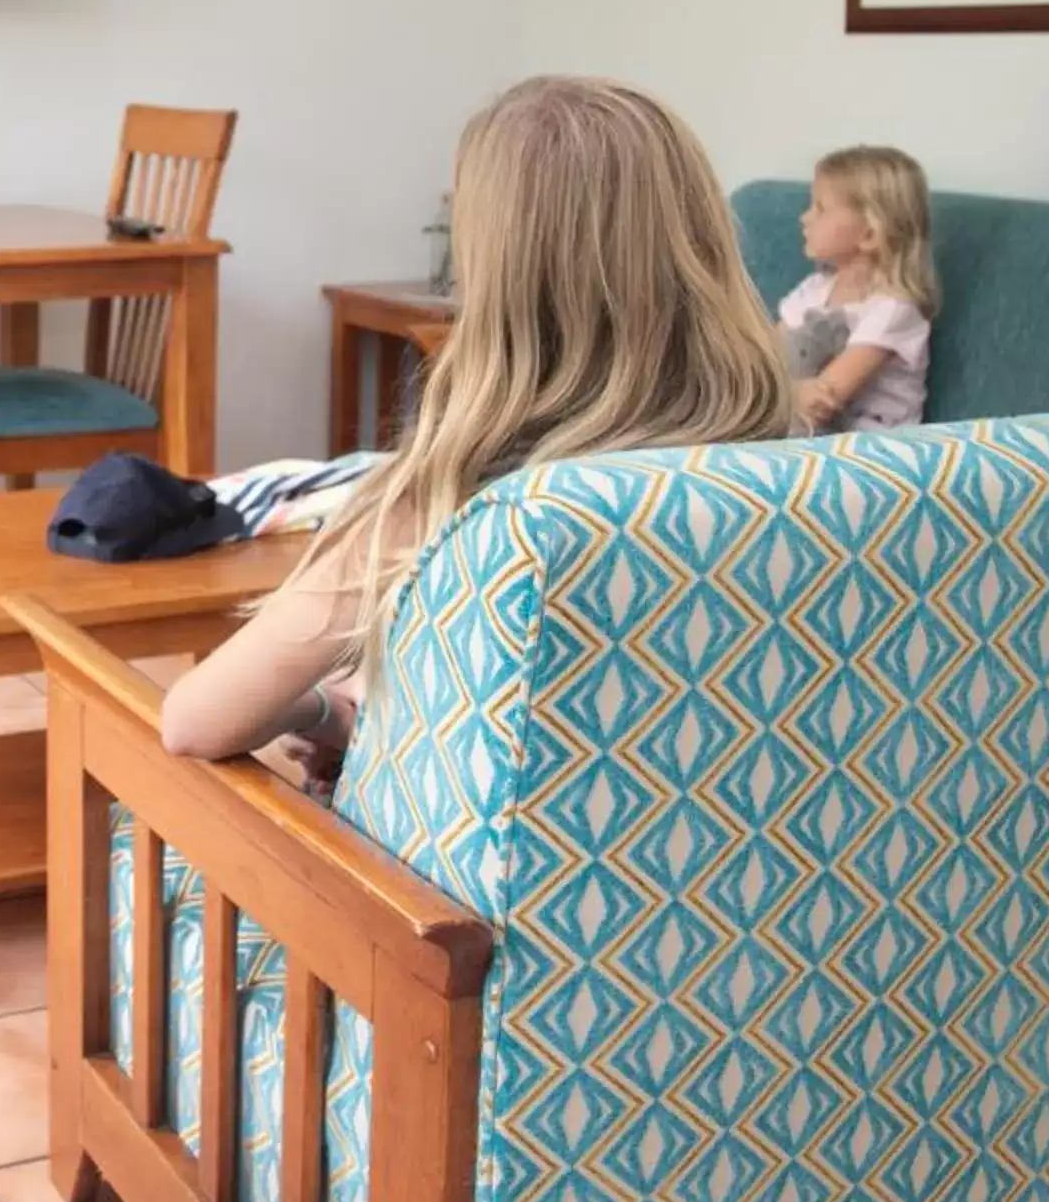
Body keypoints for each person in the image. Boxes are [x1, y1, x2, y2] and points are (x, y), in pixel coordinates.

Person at [159, 77, 795, 772]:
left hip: (444, 880)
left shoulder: (449, 505)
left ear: (497, 271)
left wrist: (310, 707)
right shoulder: (799, 470)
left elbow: (195, 723)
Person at [781, 145, 939, 432]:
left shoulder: (894, 311)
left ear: (869, 234)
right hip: (811, 434)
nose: (805, 218)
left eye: (820, 208)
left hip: (871, 452)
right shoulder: (813, 290)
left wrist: (775, 396)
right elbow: (765, 357)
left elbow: (823, 399)